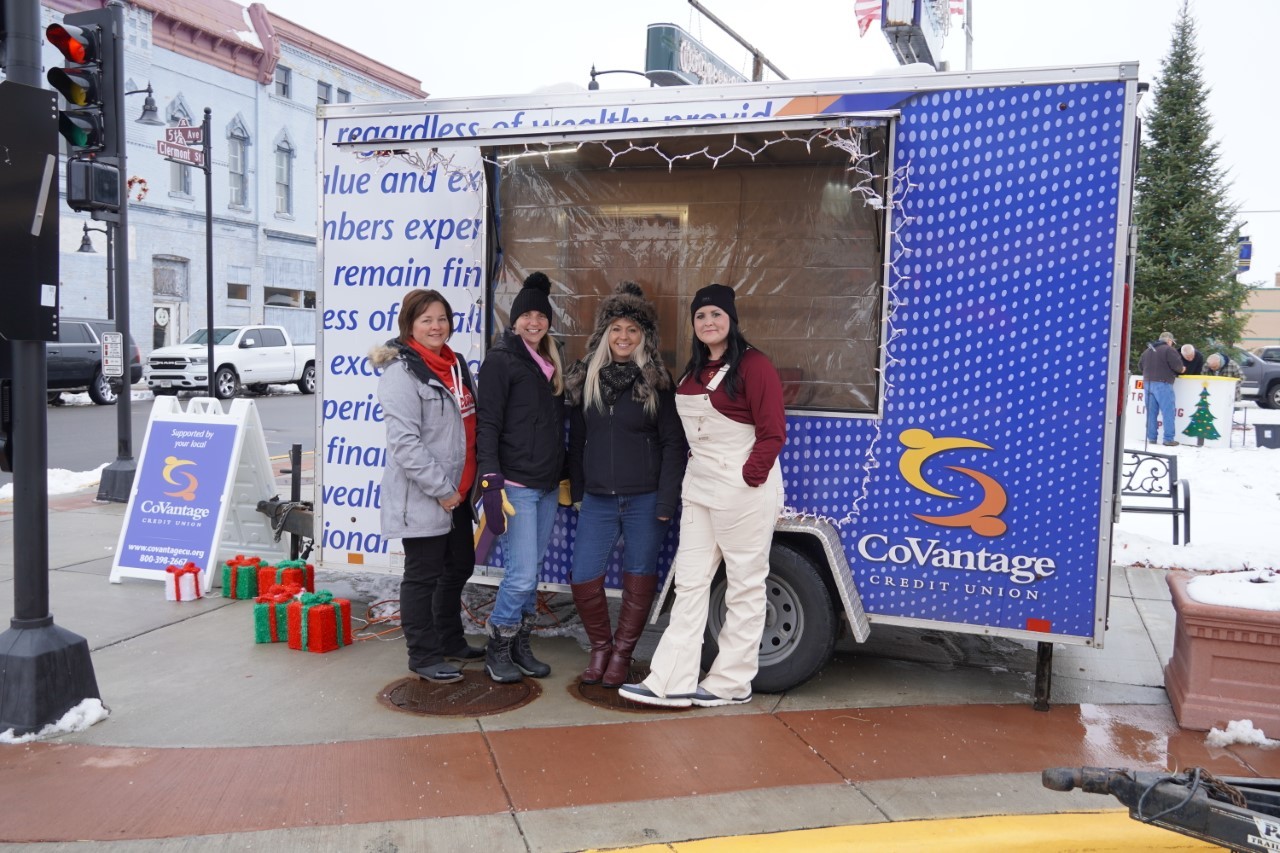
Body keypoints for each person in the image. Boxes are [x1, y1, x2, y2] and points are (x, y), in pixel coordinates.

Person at [620, 283, 786, 709]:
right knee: (691, 583)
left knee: (745, 587)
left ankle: (731, 682)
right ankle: (670, 680)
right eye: (700, 316)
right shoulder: (694, 371)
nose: (708, 322)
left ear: (730, 319)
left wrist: (749, 479)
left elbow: (772, 434)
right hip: (699, 489)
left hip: (742, 491)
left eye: (715, 314)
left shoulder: (755, 366)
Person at [565, 282, 687, 687]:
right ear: (605, 335)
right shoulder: (588, 379)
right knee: (583, 576)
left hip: (645, 500)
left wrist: (666, 500)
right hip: (598, 500)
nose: (623, 337)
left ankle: (622, 655)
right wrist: (579, 493)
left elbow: (673, 444)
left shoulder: (657, 382)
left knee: (639, 578)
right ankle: (600, 648)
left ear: (643, 337)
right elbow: (576, 439)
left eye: (632, 330)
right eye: (616, 329)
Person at [371, 289, 483, 684]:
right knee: (423, 575)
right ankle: (423, 654)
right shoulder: (401, 373)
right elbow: (405, 444)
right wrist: (441, 489)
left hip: (459, 492)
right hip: (426, 495)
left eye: (442, 318)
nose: (437, 327)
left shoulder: (456, 365)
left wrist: (466, 487)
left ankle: (450, 639)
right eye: (426, 320)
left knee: (459, 566)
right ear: (410, 326)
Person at [476, 271, 567, 683]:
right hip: (516, 486)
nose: (534, 322)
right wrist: (490, 479)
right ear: (514, 321)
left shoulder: (548, 362)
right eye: (526, 315)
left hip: (546, 486)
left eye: (541, 315)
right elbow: (488, 424)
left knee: (533, 570)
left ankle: (519, 645)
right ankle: (497, 645)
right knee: (522, 573)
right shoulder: (501, 359)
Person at [1139, 331, 1185, 447]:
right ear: (1169, 341)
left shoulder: (1147, 351)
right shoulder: (1169, 350)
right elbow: (1178, 367)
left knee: (1151, 413)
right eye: (1172, 342)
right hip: (1163, 383)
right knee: (1167, 412)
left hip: (1148, 383)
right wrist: (1183, 369)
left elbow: (1140, 366)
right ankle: (1168, 439)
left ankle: (1152, 438)